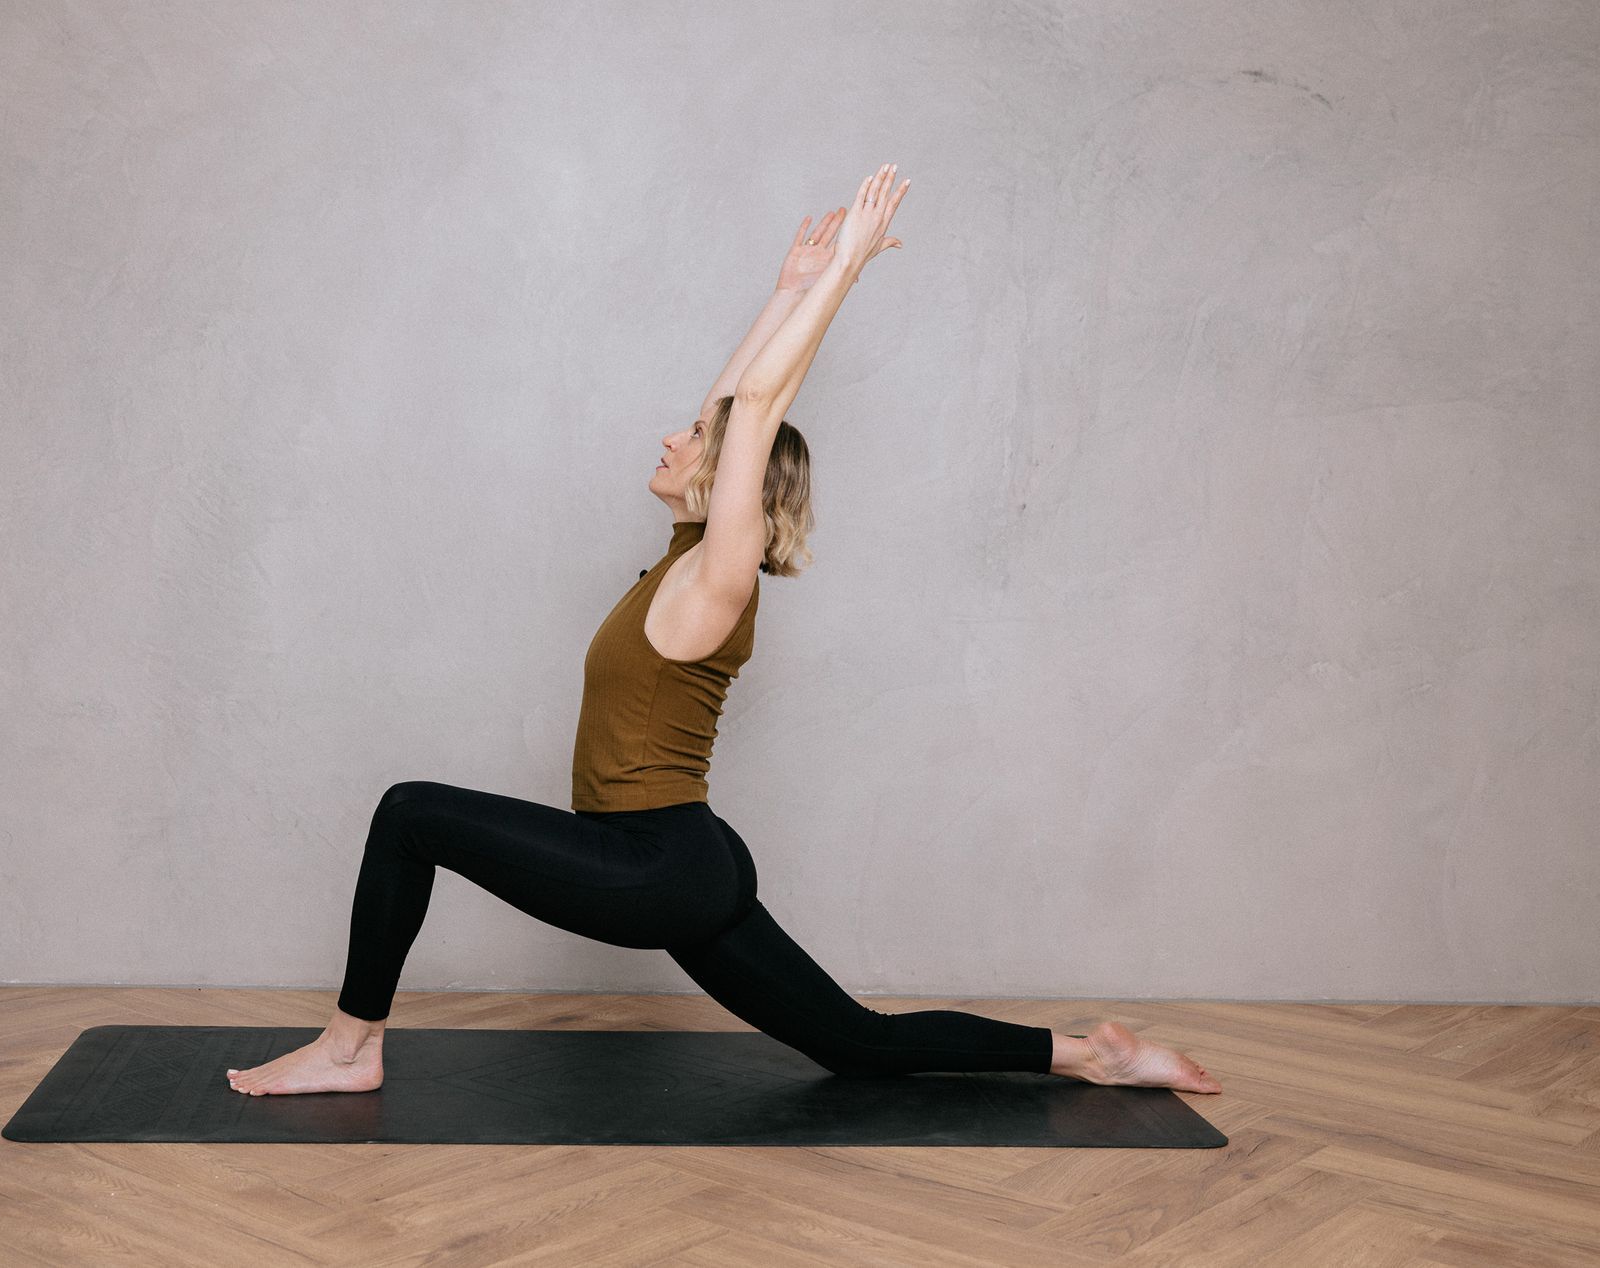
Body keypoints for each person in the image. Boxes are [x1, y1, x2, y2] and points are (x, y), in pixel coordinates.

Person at [229, 163, 1221, 1098]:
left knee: (410, 812)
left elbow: (749, 411)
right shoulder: (686, 552)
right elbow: (730, 405)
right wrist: (785, 291)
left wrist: (844, 274)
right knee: (858, 1045)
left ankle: (350, 1047)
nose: (674, 433)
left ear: (727, 479)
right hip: (681, 859)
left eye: (693, 439)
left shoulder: (719, 576)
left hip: (653, 865)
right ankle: (1095, 1057)